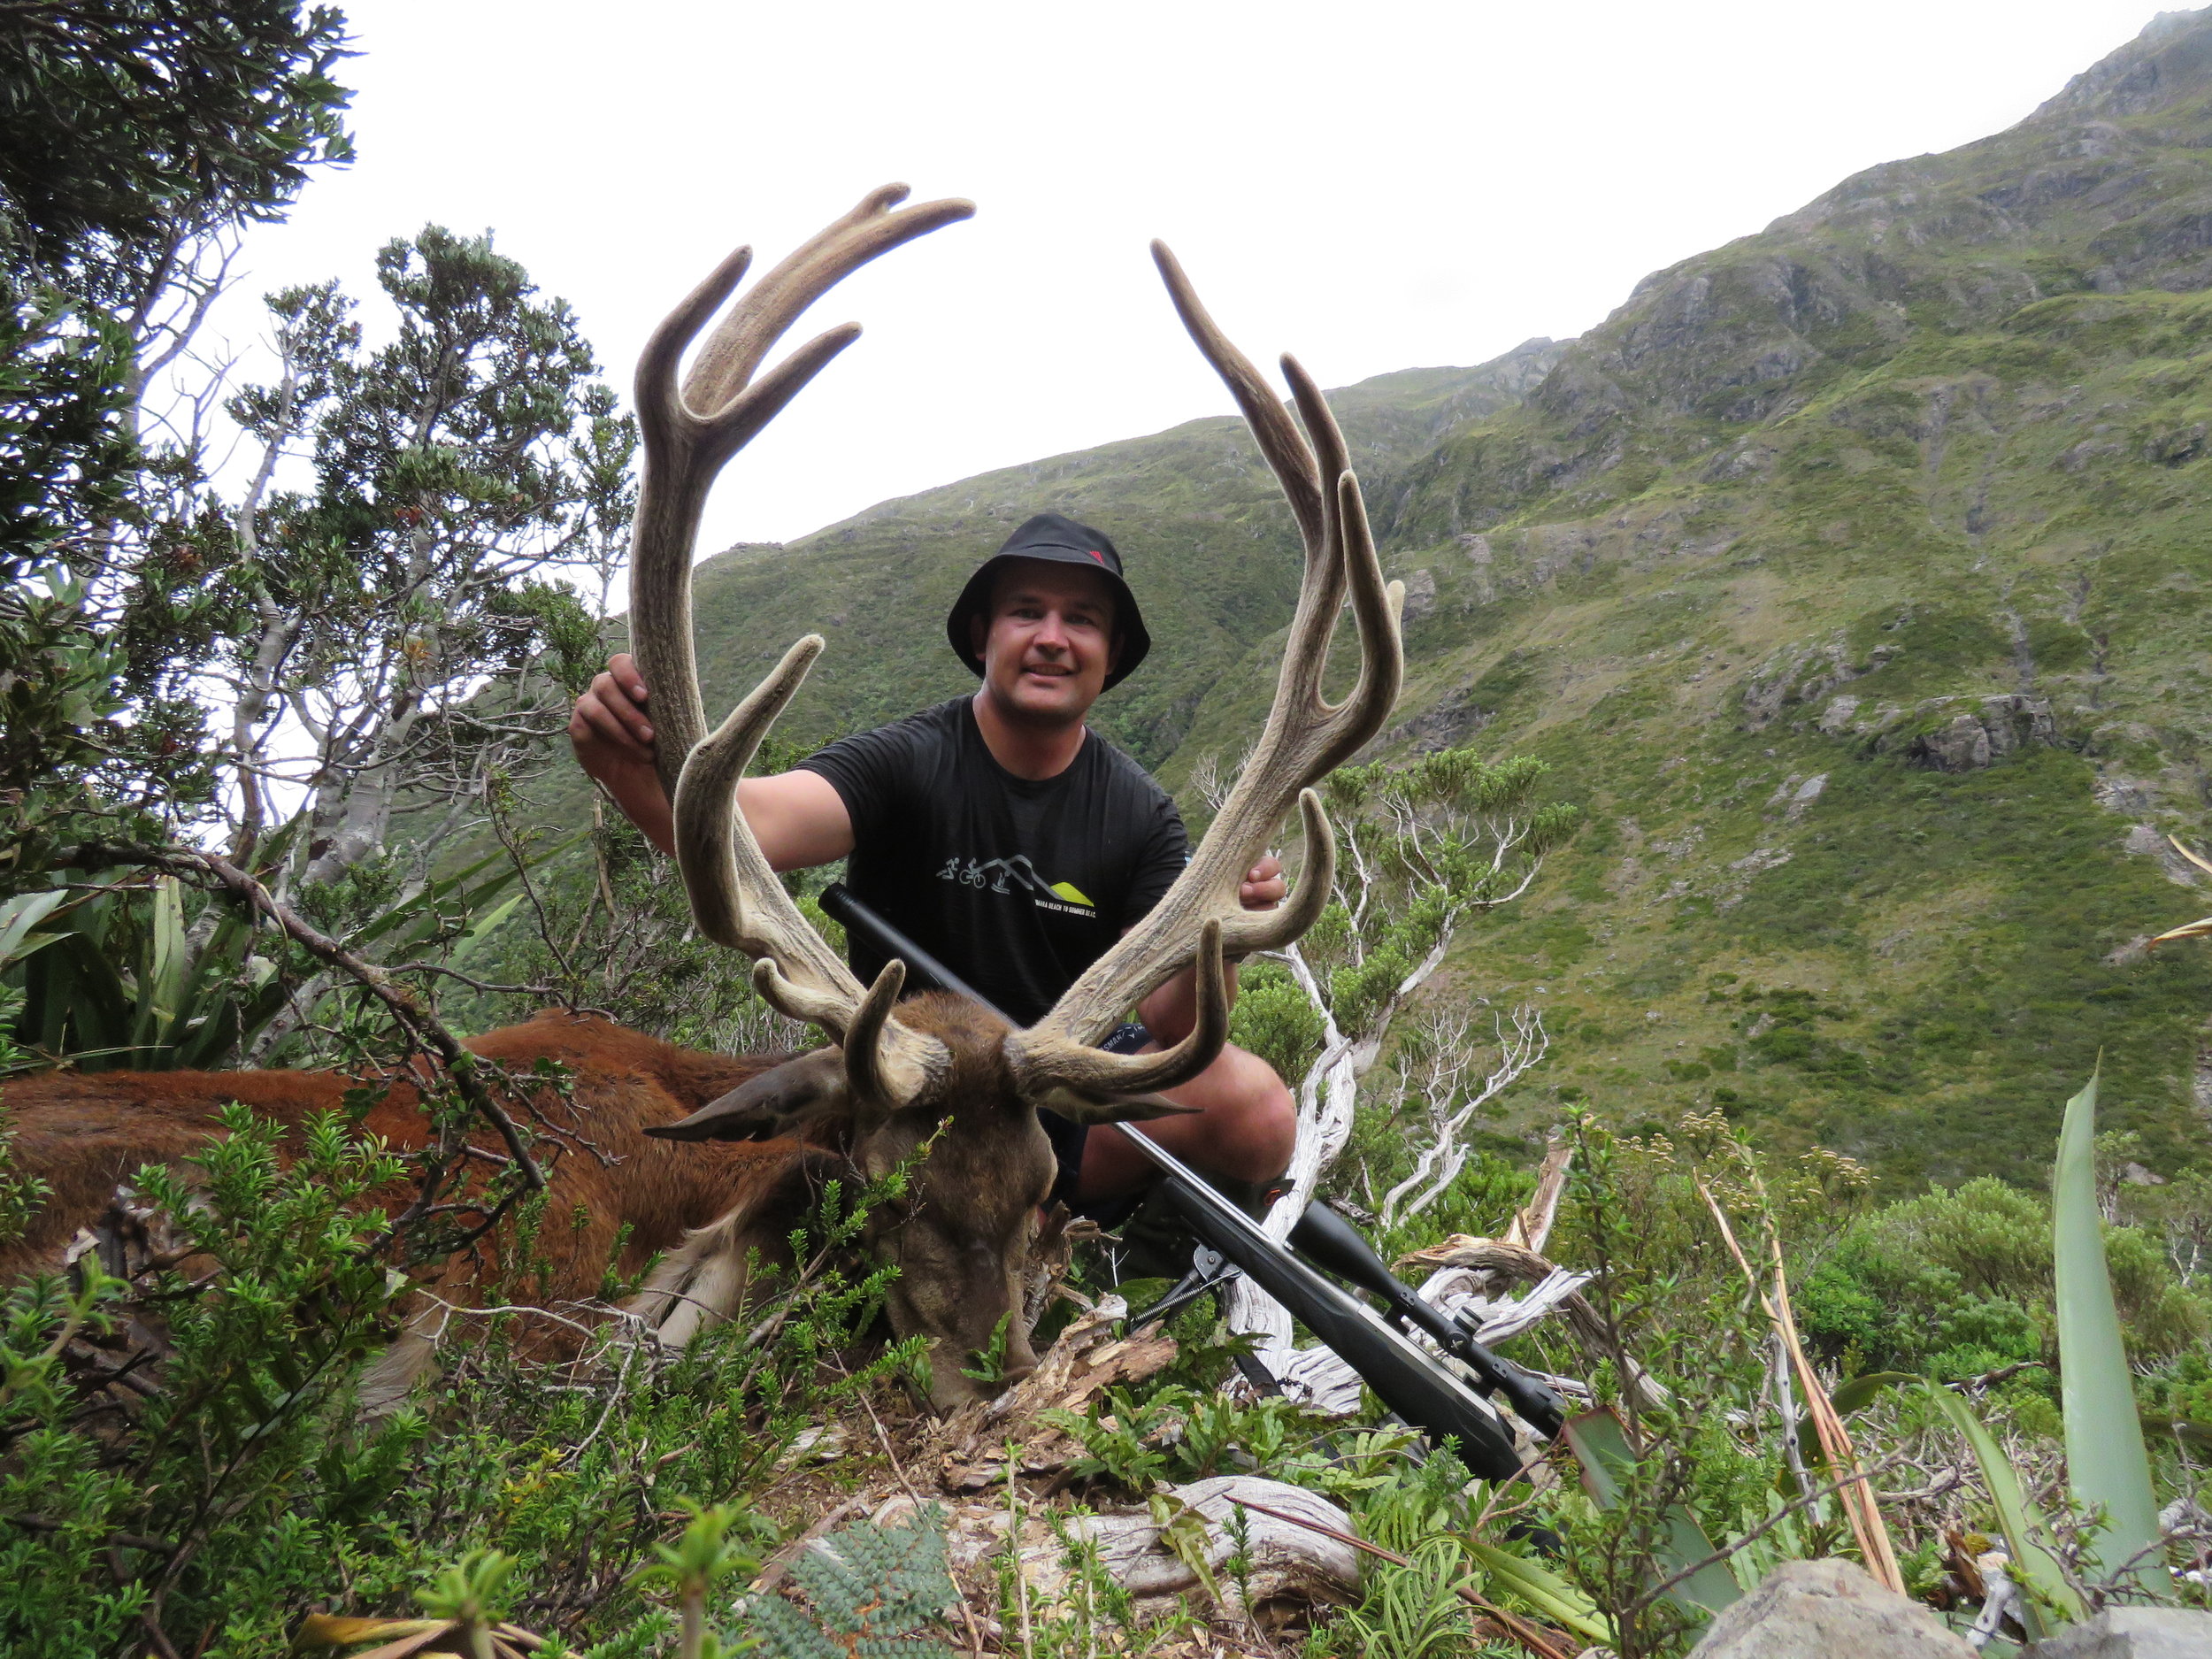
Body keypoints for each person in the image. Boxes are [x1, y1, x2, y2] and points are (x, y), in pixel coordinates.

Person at [569, 511, 1297, 1221]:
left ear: (1110, 655)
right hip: (907, 1090)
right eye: (1025, 612)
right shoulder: (908, 760)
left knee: (1259, 1111)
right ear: (984, 637)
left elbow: (1177, 1019)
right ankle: (1016, 1215)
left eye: (1082, 619)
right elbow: (747, 829)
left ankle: (1106, 1223)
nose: (1052, 638)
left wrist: (1218, 933)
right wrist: (629, 770)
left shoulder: (1138, 811)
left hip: (1057, 1095)